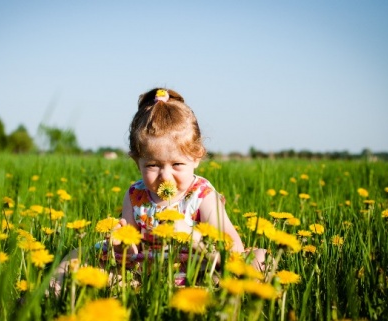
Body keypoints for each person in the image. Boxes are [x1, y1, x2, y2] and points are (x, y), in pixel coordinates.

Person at [51, 88, 265, 294]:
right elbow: (132, 248)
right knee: (78, 255)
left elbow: (234, 249)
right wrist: (123, 245)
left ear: (197, 157)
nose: (165, 176)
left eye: (177, 165)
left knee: (258, 257)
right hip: (143, 273)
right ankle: (50, 292)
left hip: (198, 273)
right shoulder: (136, 195)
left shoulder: (202, 196)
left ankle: (242, 292)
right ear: (137, 162)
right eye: (153, 165)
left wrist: (194, 238)